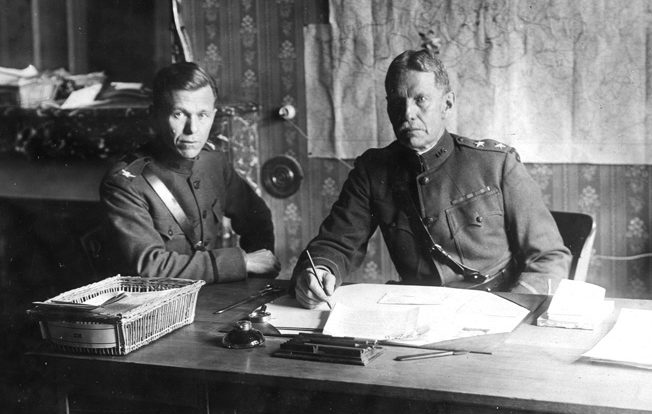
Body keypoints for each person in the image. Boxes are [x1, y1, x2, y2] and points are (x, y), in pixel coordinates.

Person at [292, 48, 570, 308]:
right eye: (397, 103)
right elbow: (337, 243)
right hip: (417, 311)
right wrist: (320, 271)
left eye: (420, 99)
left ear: (446, 103)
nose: (408, 113)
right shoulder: (372, 170)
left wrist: (513, 308)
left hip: (496, 305)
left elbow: (549, 257)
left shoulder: (495, 163)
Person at [100, 62, 280, 282]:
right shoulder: (126, 183)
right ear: (154, 115)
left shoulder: (214, 163)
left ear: (213, 116)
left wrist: (258, 277)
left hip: (211, 295)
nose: (192, 129)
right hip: (156, 306)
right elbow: (149, 266)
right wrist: (244, 263)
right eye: (179, 114)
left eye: (202, 115)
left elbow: (257, 216)